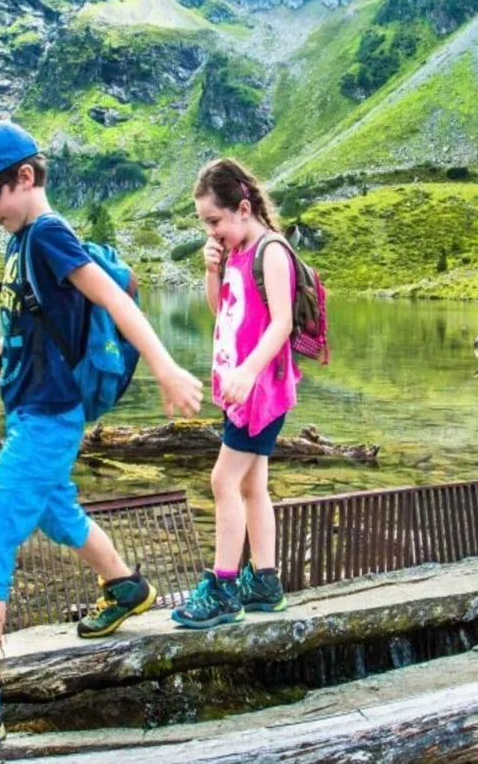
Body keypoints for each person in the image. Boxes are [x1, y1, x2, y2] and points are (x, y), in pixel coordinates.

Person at [0, 121, 203, 747]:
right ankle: (126, 586)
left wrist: (167, 367)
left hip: (49, 418)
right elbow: (21, 324)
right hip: (33, 412)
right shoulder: (20, 244)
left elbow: (118, 304)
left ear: (26, 178)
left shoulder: (49, 236)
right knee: (57, 513)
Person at [172, 158, 297, 628]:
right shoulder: (238, 254)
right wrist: (211, 272)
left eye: (214, 221)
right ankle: (264, 580)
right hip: (243, 391)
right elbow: (221, 313)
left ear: (243, 208)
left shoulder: (272, 252)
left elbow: (281, 323)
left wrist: (247, 372)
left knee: (222, 482)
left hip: (259, 391)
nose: (211, 231)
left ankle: (224, 588)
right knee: (251, 484)